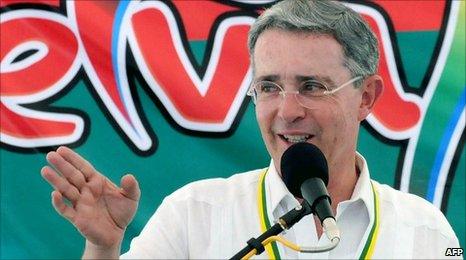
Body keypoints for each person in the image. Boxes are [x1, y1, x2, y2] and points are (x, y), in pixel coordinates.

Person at [41, 0, 460, 259]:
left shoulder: (426, 231)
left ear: (366, 97)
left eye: (311, 86)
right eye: (269, 87)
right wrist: (102, 248)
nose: (287, 110)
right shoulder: (193, 213)